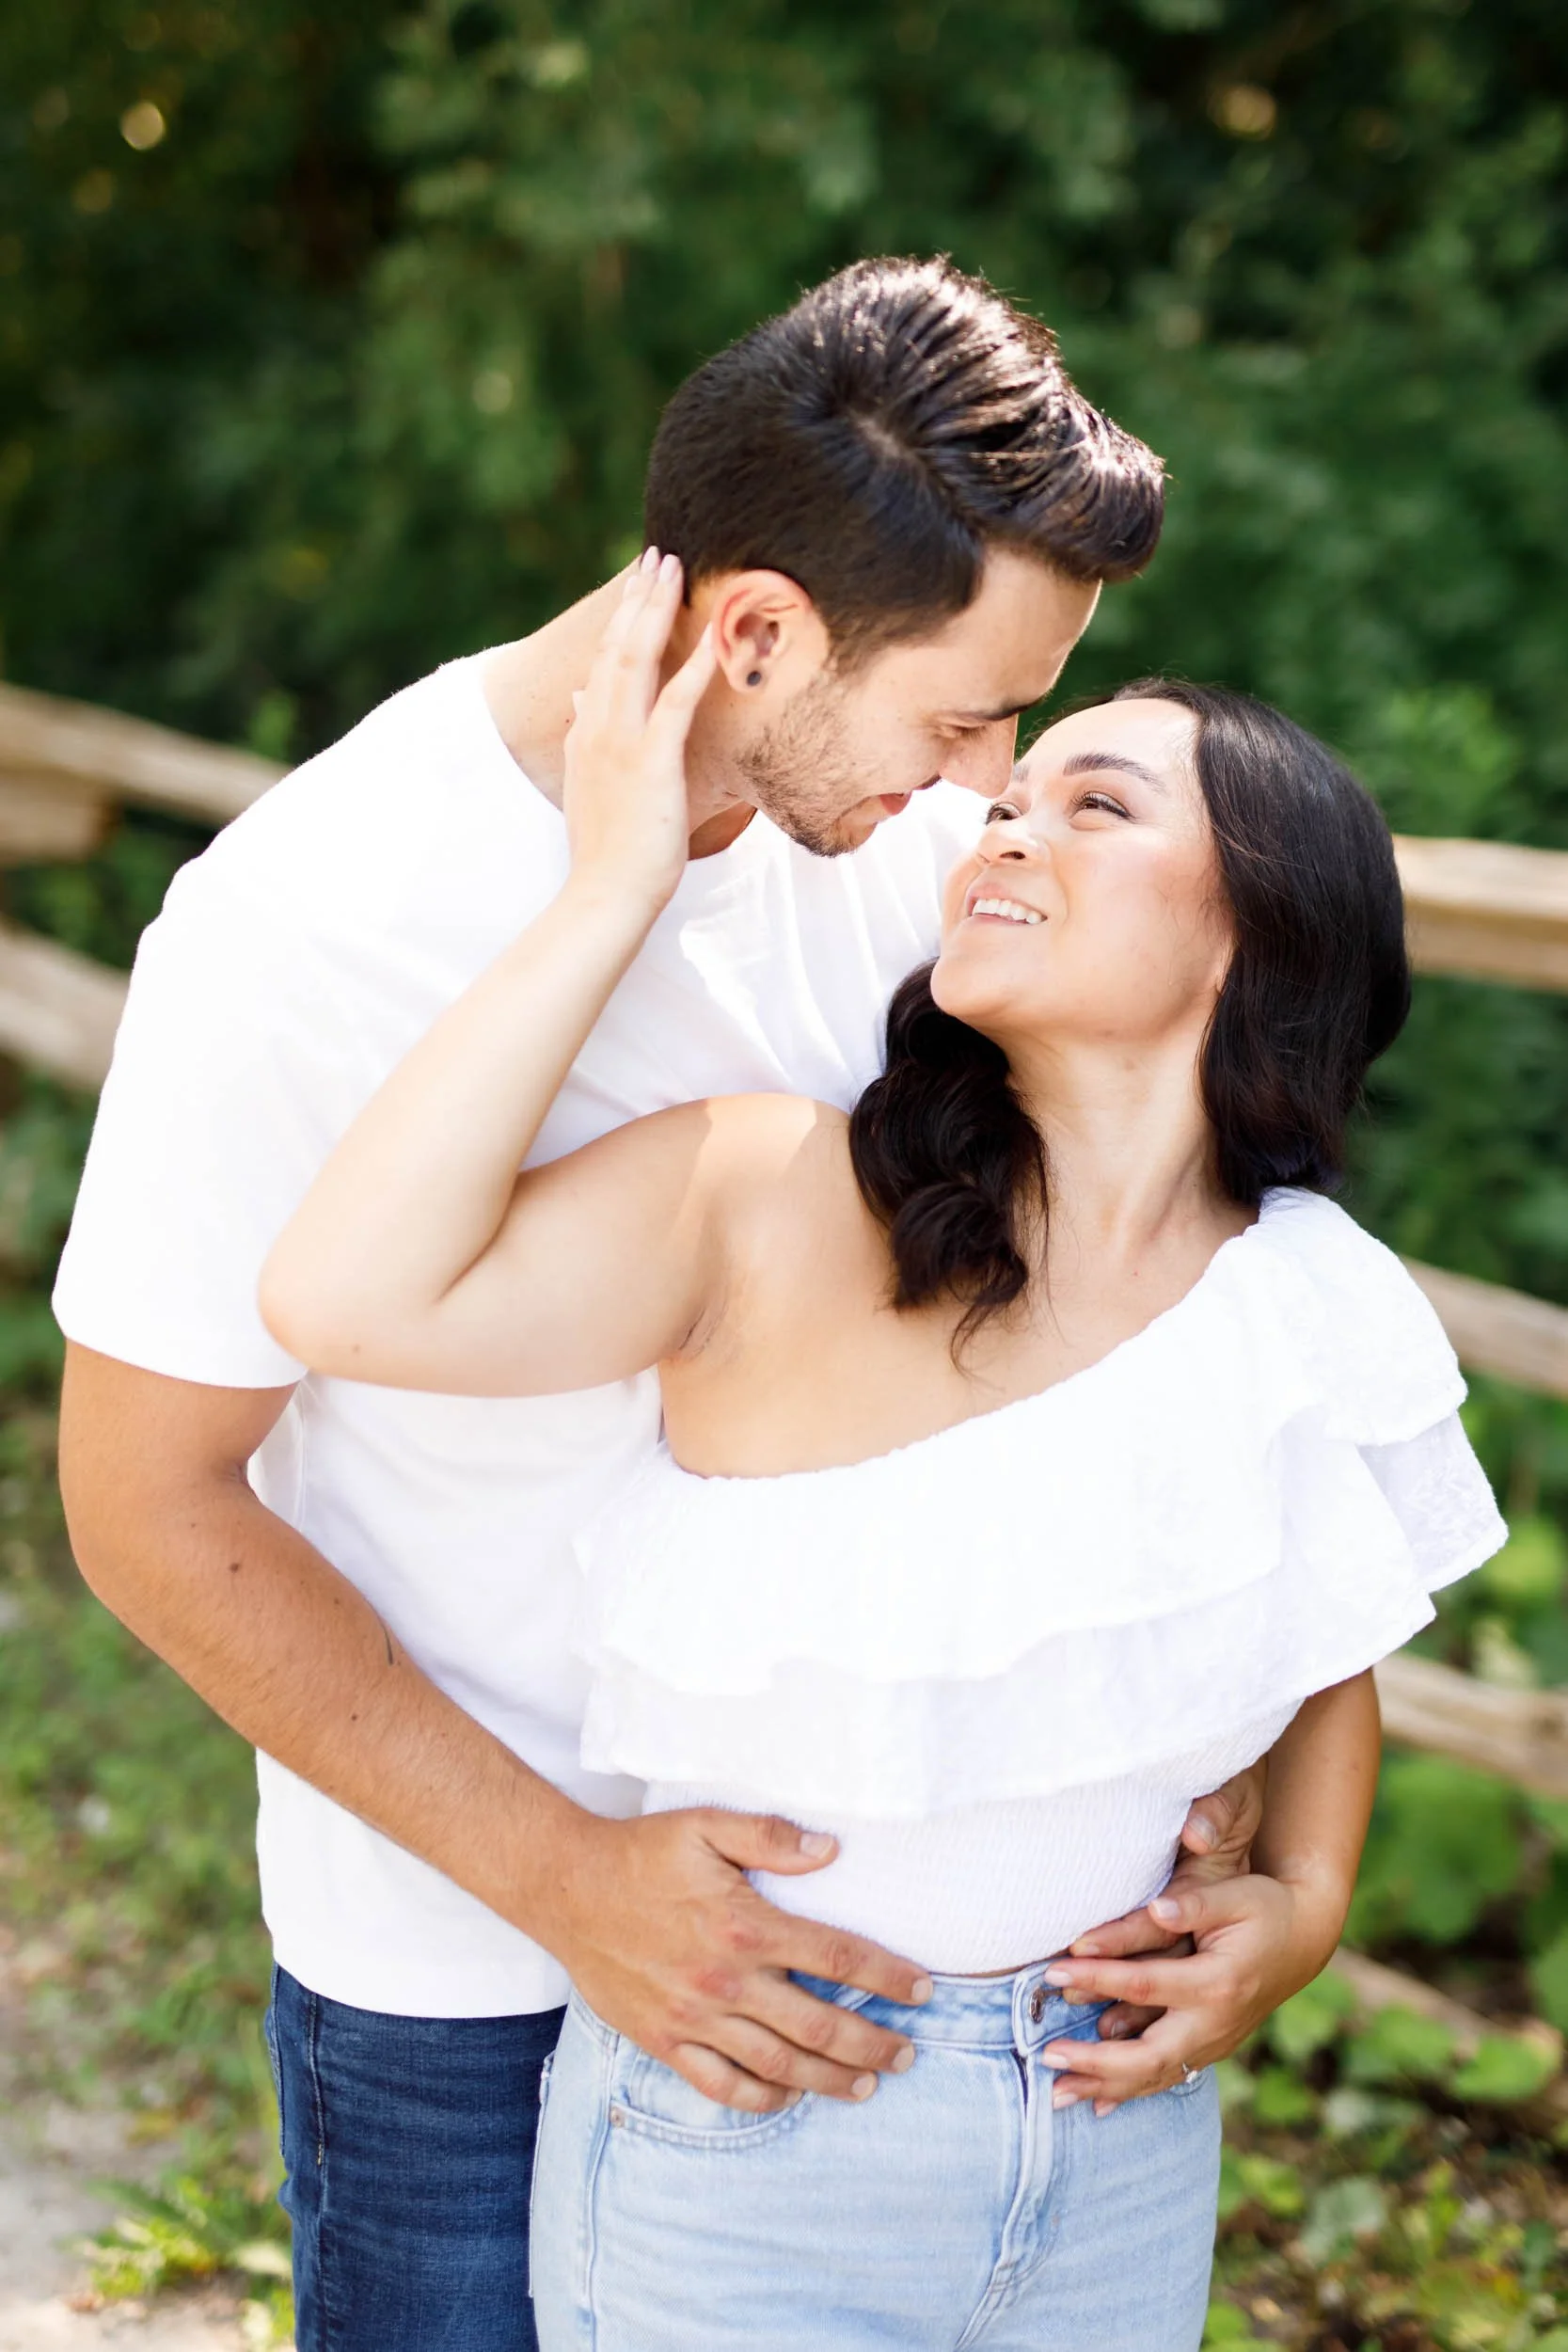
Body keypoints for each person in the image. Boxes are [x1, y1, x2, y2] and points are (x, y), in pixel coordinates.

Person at [58, 259, 1290, 2352]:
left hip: (867, 1965)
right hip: (469, 1974)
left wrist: (1220, 1766)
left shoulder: (900, 854)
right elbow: (149, 1506)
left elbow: (1105, 1311)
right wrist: (566, 1878)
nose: (985, 772)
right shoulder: (299, 925)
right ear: (754, 632)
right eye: (964, 713)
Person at [260, 557, 1505, 2350]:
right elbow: (346, 1295)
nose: (1000, 828)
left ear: (1263, 922)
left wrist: (1303, 1909)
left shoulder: (1303, 1297)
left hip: (1119, 2135)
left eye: (1094, 801)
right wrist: (611, 885)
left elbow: (1316, 1645)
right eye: (1000, 797)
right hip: (756, 2133)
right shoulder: (769, 1198)